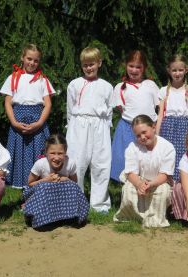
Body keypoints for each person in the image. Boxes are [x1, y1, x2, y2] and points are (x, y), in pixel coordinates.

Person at [0, 43, 57, 188]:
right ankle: (20, 186)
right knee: (19, 154)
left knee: (38, 154)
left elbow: (48, 104)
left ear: (39, 62)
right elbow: (7, 103)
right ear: (22, 58)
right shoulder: (13, 78)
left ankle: (38, 186)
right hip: (18, 121)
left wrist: (39, 123)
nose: (32, 63)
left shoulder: (43, 80)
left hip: (38, 122)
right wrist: (14, 122)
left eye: (36, 60)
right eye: (29, 59)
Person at [66, 47, 113, 213]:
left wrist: (105, 128)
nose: (88, 68)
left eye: (91, 64)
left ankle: (99, 204)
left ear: (99, 63)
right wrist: (72, 127)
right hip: (79, 126)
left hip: (100, 127)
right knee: (77, 162)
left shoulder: (107, 86)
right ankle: (75, 199)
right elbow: (70, 110)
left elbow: (109, 111)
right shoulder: (74, 84)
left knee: (101, 163)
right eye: (85, 65)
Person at [113, 115, 175, 227]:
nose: (142, 137)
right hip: (139, 179)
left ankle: (155, 219)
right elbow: (131, 173)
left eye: (144, 132)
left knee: (163, 191)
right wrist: (139, 184)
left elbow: (165, 175)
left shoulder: (167, 147)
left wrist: (151, 183)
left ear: (153, 127)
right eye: (138, 135)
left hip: (159, 180)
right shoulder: (132, 147)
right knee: (128, 189)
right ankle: (133, 217)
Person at [111, 50, 160, 182]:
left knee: (149, 160)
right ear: (125, 66)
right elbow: (121, 109)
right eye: (131, 66)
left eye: (138, 67)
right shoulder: (120, 87)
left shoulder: (151, 85)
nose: (134, 70)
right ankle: (127, 191)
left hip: (150, 129)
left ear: (144, 68)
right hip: (128, 128)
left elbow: (158, 106)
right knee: (127, 160)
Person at [23, 134, 89, 229]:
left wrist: (65, 179)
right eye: (53, 153)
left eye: (60, 153)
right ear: (46, 153)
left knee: (71, 186)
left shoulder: (70, 163)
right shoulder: (40, 164)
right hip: (40, 195)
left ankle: (72, 217)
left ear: (65, 152)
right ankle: (38, 217)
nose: (56, 157)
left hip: (61, 196)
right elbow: (29, 184)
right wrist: (45, 180)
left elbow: (75, 184)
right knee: (45, 187)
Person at [156, 54, 188, 182]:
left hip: (184, 128)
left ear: (186, 70)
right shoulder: (164, 90)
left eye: (180, 70)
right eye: (174, 70)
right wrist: (156, 135)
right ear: (169, 70)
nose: (177, 73)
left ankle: (181, 186)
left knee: (182, 156)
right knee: (167, 156)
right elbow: (160, 115)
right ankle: (167, 186)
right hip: (167, 127)